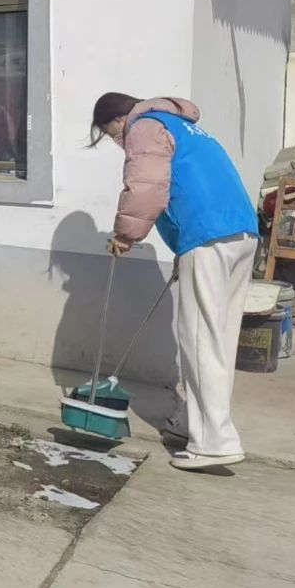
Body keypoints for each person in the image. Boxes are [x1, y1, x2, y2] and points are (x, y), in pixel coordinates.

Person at [92, 92, 259, 472]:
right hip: (240, 233)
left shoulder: (143, 126)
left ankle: (215, 441)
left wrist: (125, 236)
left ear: (119, 120)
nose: (118, 141)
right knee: (217, 339)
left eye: (112, 134)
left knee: (199, 339)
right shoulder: (182, 126)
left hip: (207, 235)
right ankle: (191, 422)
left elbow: (146, 186)